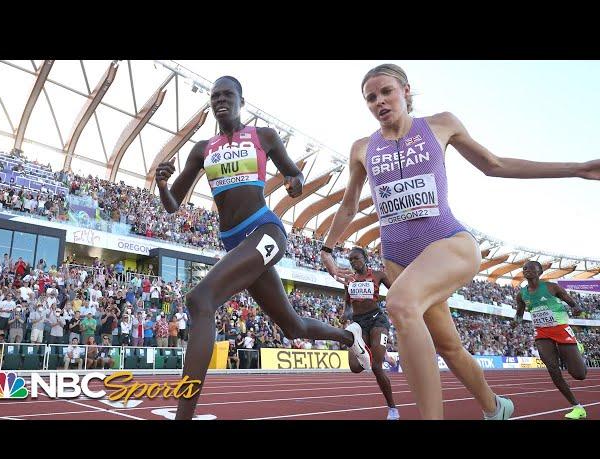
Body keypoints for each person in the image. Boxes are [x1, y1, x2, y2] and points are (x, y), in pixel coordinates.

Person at [320, 63, 600, 420]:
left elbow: (494, 164)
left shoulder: (440, 124)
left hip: (449, 242)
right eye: (370, 98)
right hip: (399, 258)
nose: (380, 101)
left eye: (386, 91)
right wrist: (328, 248)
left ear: (406, 91)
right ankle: (495, 407)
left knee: (401, 303)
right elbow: (347, 206)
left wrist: (575, 168)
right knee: (449, 347)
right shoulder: (362, 148)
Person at [156, 75, 370, 420]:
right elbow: (171, 205)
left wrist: (294, 183)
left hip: (266, 231)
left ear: (242, 101)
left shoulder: (263, 136)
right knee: (293, 327)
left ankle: (184, 416)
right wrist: (162, 183)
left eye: (227, 95)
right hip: (236, 243)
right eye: (215, 96)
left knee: (200, 299)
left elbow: (295, 175)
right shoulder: (202, 149)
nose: (220, 100)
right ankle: (349, 337)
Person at [515, 261, 588, 419]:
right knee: (553, 369)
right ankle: (577, 407)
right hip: (542, 333)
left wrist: (577, 309)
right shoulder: (521, 294)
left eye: (531, 268)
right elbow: (519, 312)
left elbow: (571, 302)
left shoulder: (551, 287)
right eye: (524, 268)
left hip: (561, 330)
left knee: (579, 374)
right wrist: (517, 321)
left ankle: (577, 349)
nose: (526, 270)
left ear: (539, 271)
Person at [344, 247, 400, 420]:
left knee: (376, 367)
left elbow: (396, 289)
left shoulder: (378, 275)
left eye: (356, 258)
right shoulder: (349, 279)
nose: (353, 262)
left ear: (365, 258)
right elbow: (347, 303)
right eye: (351, 260)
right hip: (358, 324)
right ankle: (382, 354)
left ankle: (392, 409)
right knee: (354, 367)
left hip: (377, 320)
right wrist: (345, 312)